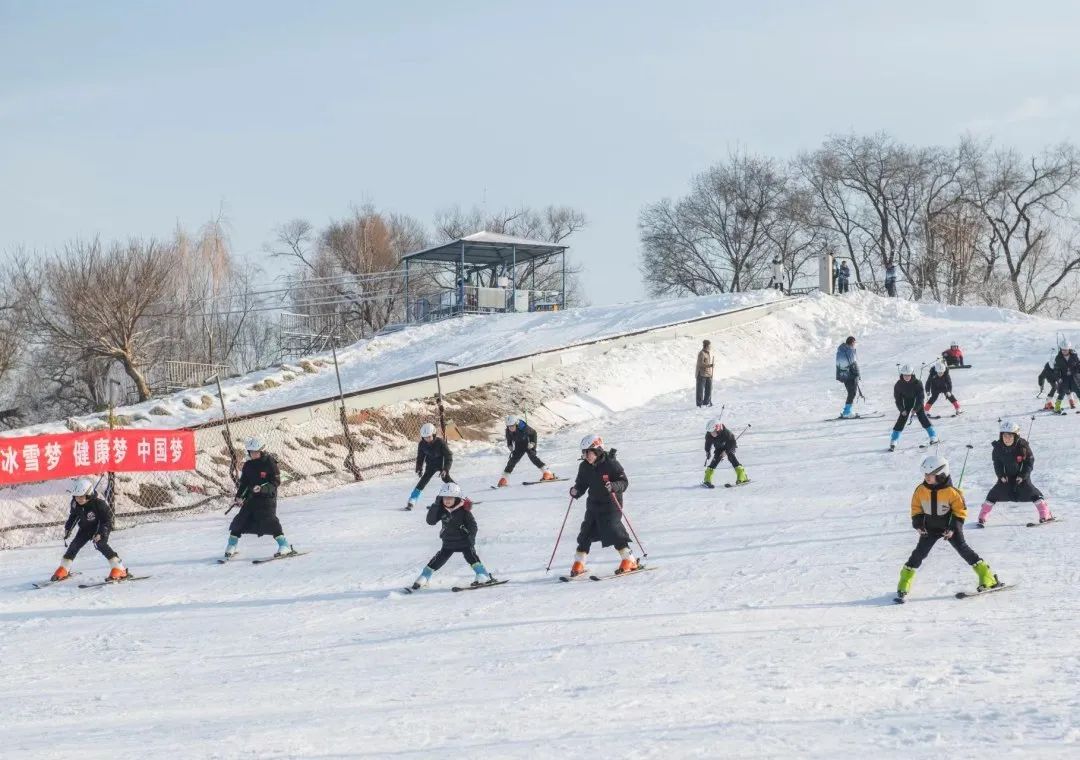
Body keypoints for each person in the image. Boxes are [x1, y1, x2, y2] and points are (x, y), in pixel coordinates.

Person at [894, 455, 1001, 602]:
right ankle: (905, 580)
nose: (927, 478)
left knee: (963, 549)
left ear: (941, 475)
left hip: (948, 528)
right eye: (925, 475)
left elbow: (960, 512)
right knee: (919, 554)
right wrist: (918, 524)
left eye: (930, 475)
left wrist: (953, 528)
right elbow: (916, 508)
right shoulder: (920, 490)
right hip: (929, 528)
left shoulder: (952, 492)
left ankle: (986, 575)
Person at [567, 434, 637, 578]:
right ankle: (579, 563)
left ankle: (629, 560)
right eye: (584, 452)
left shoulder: (611, 464)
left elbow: (624, 482)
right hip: (593, 504)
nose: (586, 455)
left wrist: (613, 486)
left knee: (614, 530)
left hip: (611, 504)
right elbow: (581, 484)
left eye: (588, 452)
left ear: (598, 450)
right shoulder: (584, 466)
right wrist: (576, 491)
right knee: (585, 532)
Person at [410, 483, 493, 590]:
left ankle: (482, 574)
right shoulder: (441, 509)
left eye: (450, 498)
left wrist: (471, 537)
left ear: (457, 499)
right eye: (445, 498)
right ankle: (424, 576)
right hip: (448, 541)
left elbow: (473, 526)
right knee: (439, 559)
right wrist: (435, 505)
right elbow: (430, 521)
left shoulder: (464, 511)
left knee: (471, 556)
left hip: (464, 541)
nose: (447, 500)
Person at [224, 437, 295, 559]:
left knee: (269, 520)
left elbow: (275, 482)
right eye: (251, 452)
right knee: (240, 520)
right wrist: (239, 497)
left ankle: (284, 546)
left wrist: (262, 488)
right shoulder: (248, 465)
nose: (254, 455)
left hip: (267, 499)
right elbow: (244, 483)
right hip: (251, 499)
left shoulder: (270, 463)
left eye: (256, 452)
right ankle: (231, 546)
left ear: (262, 451)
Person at [976, 420, 1054, 526]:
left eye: (1010, 436)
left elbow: (1029, 463)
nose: (1007, 439)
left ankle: (1045, 514)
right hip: (1006, 477)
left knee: (1033, 492)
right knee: (993, 494)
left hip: (1022, 476)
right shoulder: (998, 448)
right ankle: (982, 517)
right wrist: (1001, 476)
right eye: (1004, 436)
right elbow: (997, 464)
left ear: (1016, 436)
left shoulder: (1023, 447)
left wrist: (1023, 476)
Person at [50, 477, 129, 583]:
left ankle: (119, 568)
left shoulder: (99, 504)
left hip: (100, 527)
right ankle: (64, 568)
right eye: (76, 497)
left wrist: (101, 533)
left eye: (82, 497)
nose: (79, 499)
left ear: (89, 494)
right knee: (74, 545)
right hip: (85, 528)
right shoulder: (75, 503)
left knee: (100, 544)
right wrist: (68, 528)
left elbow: (107, 521)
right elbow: (73, 516)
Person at [496, 415, 555, 487]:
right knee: (512, 461)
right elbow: (509, 439)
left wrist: (533, 444)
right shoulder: (508, 430)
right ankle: (504, 479)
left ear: (516, 424)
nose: (510, 428)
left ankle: (548, 473)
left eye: (512, 426)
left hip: (528, 443)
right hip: (519, 444)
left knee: (533, 457)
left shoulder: (524, 427)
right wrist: (510, 445)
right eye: (509, 426)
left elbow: (534, 433)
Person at [889, 364, 937, 451]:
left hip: (917, 402)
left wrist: (916, 409)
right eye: (904, 375)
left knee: (922, 417)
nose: (906, 377)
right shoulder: (898, 384)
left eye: (908, 375)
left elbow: (921, 397)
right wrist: (902, 409)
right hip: (906, 403)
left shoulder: (917, 383)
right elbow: (898, 399)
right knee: (901, 419)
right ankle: (894, 440)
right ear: (902, 375)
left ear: (912, 374)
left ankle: (933, 436)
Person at [407, 422, 453, 510]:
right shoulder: (422, 444)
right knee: (423, 481)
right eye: (425, 437)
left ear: (434, 434)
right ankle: (412, 500)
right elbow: (420, 457)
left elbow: (449, 456)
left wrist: (445, 469)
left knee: (446, 479)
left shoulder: (440, 442)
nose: (427, 439)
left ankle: (460, 496)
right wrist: (419, 468)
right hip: (431, 465)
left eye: (429, 437)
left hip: (441, 464)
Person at [702, 419, 749, 488]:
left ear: (718, 428)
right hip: (719, 448)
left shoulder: (727, 434)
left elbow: (733, 444)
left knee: (731, 456)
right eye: (710, 432)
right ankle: (707, 478)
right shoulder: (709, 434)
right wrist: (707, 451)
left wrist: (726, 452)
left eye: (713, 432)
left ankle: (742, 476)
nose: (711, 433)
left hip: (729, 447)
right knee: (716, 459)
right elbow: (708, 443)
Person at [835, 336, 860, 418]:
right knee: (852, 393)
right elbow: (853, 363)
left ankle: (846, 410)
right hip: (851, 375)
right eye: (854, 343)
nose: (855, 344)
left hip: (844, 375)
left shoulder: (841, 350)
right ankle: (847, 412)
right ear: (852, 342)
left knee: (850, 393)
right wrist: (857, 373)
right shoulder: (849, 350)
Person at [1052, 339, 1080, 413]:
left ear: (1069, 349)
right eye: (1063, 350)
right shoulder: (1058, 358)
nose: (1064, 351)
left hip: (1074, 377)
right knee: (1062, 392)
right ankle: (1057, 408)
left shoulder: (1074, 356)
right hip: (1064, 378)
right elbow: (1056, 369)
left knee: (1078, 391)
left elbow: (1078, 365)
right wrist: (1058, 378)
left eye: (1066, 350)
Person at [695, 339, 714, 407]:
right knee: (700, 390)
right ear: (706, 346)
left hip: (708, 374)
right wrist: (710, 365)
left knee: (708, 389)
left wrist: (710, 372)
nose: (710, 347)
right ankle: (699, 404)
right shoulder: (701, 353)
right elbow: (701, 364)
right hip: (701, 374)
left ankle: (706, 403)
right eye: (709, 346)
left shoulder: (707, 353)